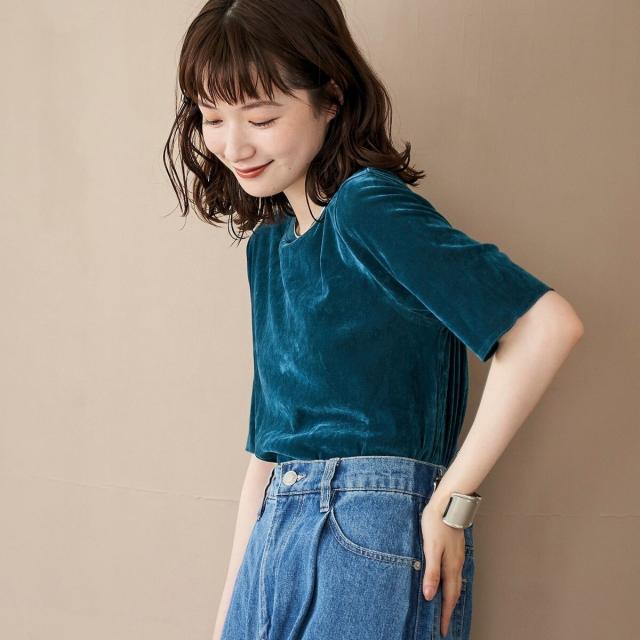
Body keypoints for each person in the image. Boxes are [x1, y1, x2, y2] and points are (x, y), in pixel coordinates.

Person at [163, 2, 584, 639]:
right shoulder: (268, 247)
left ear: (331, 99)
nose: (234, 145)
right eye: (213, 118)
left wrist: (451, 505)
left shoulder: (368, 206)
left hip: (368, 529)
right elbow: (268, 454)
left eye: (262, 118)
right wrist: (230, 616)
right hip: (274, 531)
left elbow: (545, 327)